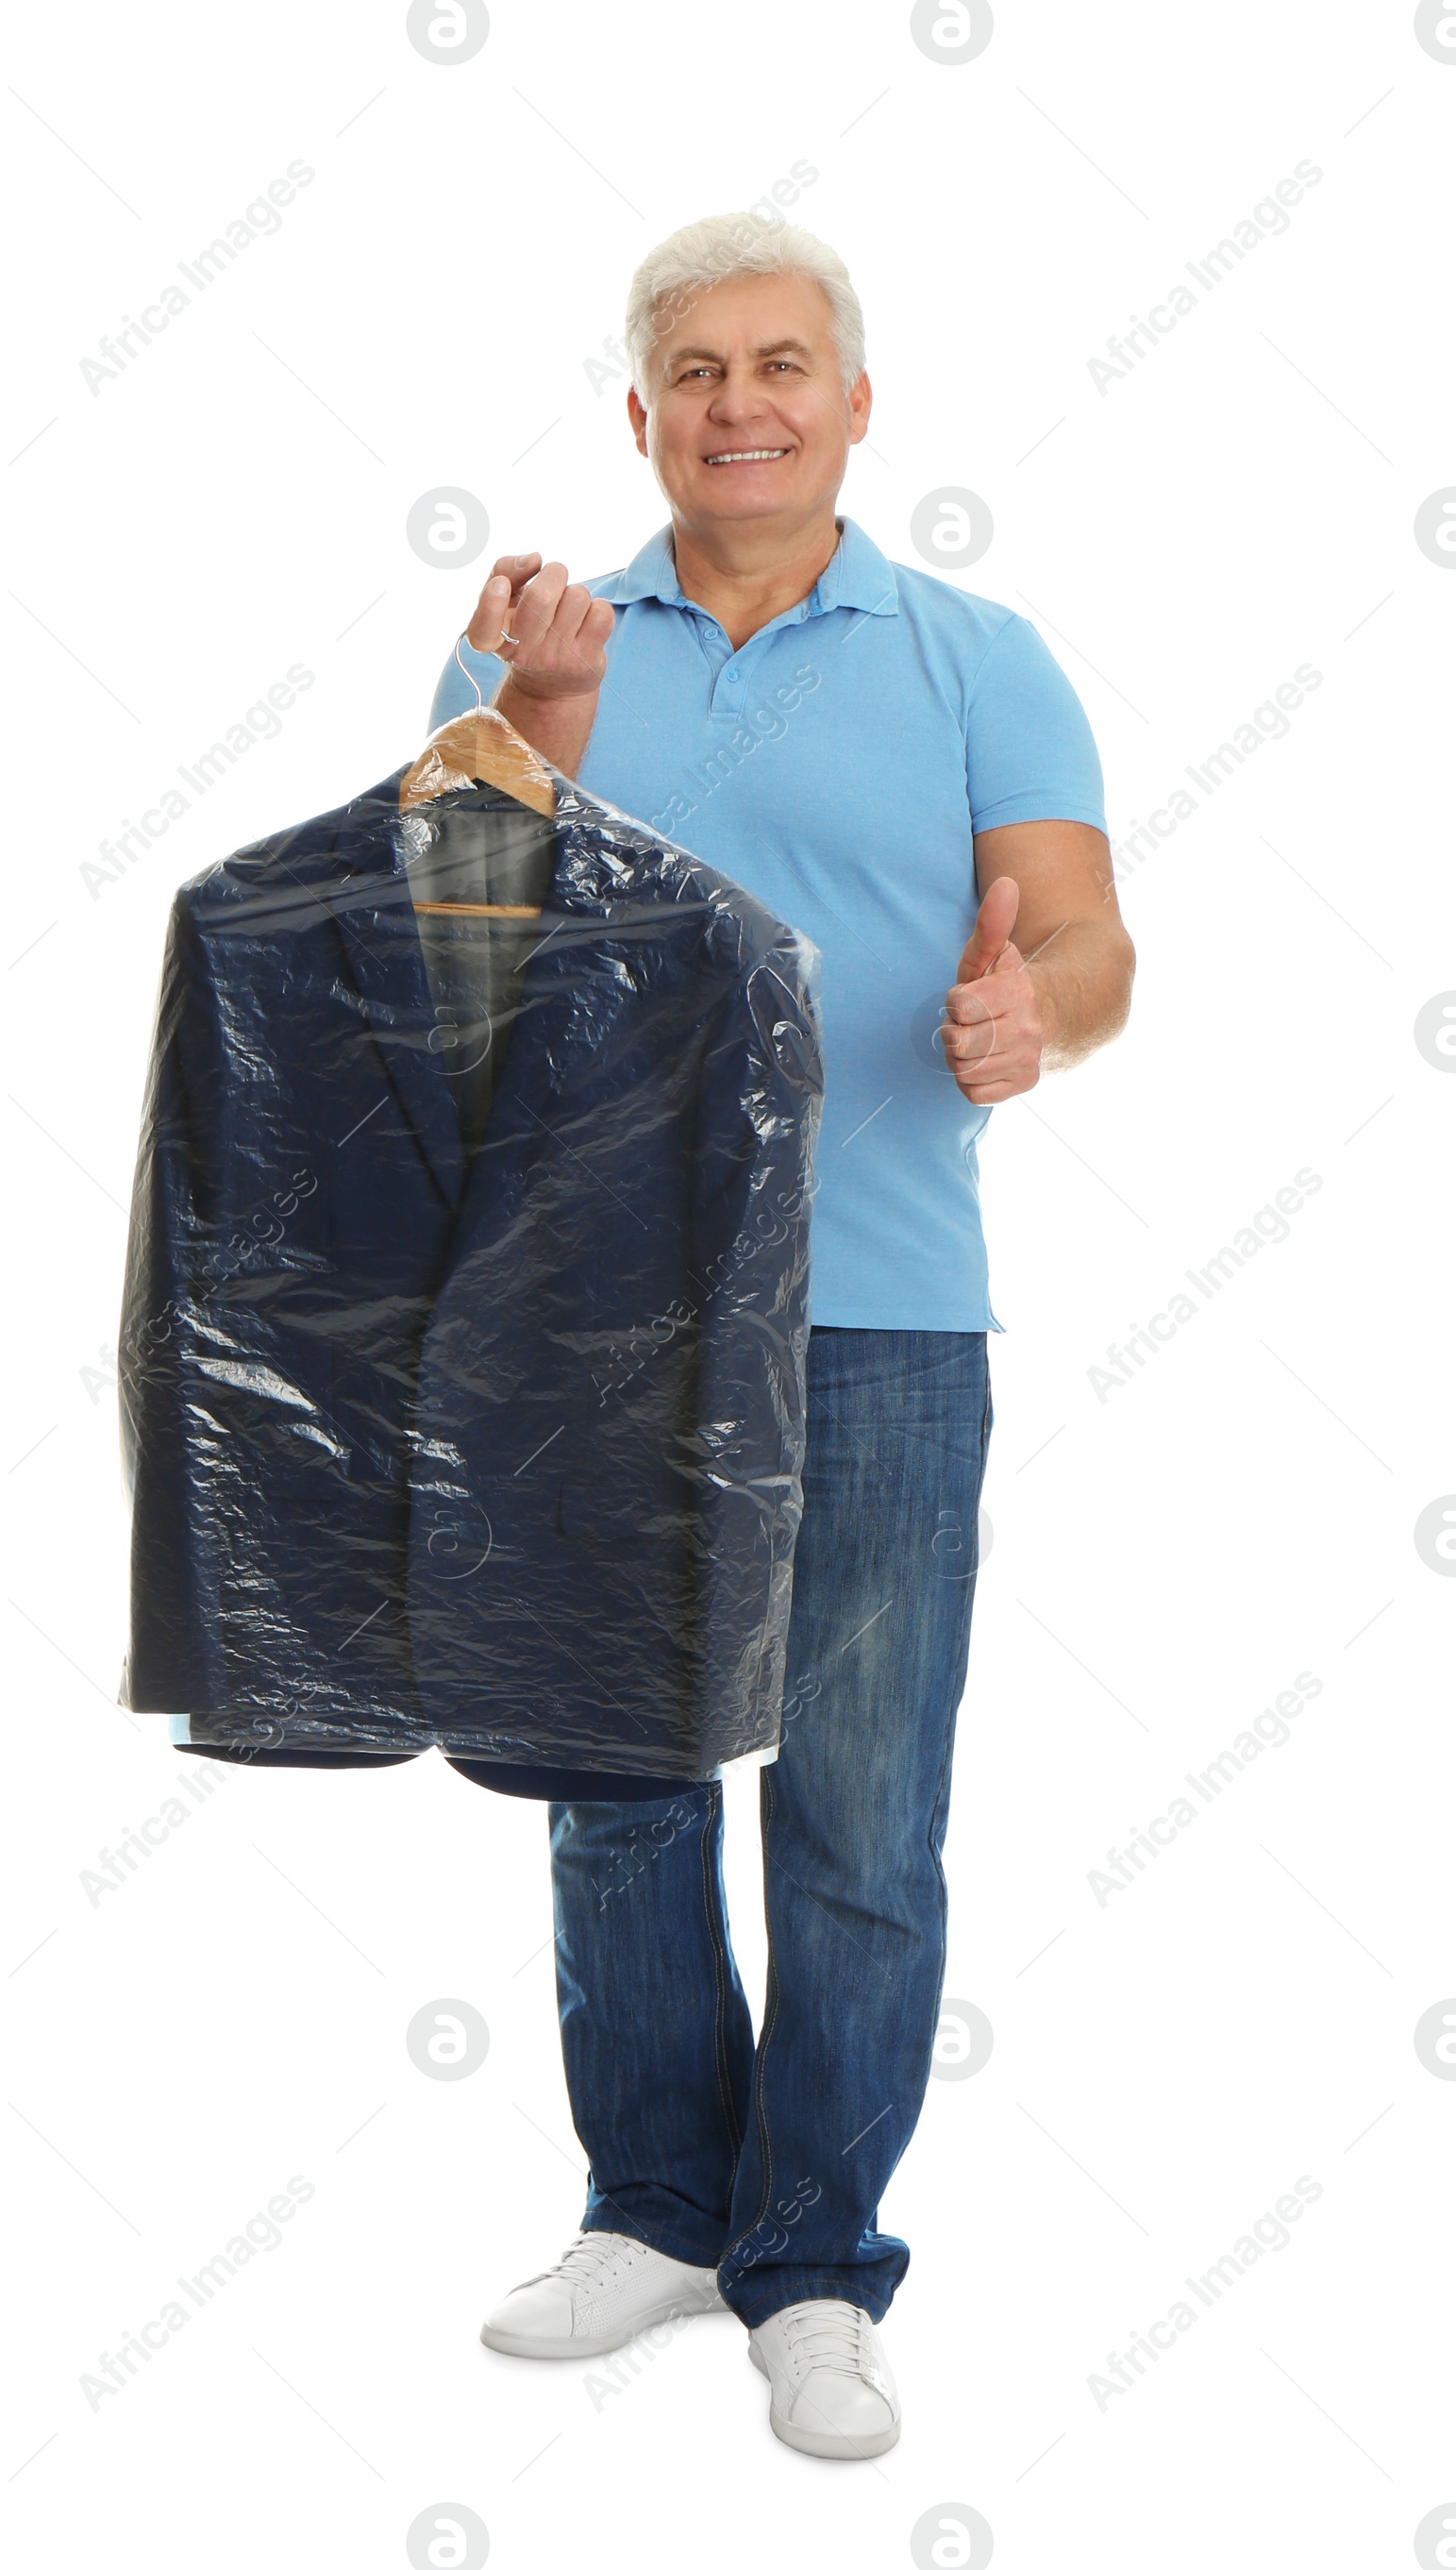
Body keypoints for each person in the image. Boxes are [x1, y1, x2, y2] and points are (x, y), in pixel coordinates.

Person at [428, 211, 1134, 2461]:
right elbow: (438, 960)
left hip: (880, 1315)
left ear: (852, 401)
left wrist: (1038, 1009)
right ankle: (653, 2205)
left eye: (782, 364)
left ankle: (812, 2262)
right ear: (639, 415)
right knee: (617, 1805)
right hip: (593, 1319)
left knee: (853, 1818)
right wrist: (521, 725)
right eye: (696, 372)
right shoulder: (537, 648)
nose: (741, 402)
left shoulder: (975, 652)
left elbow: (1097, 937)